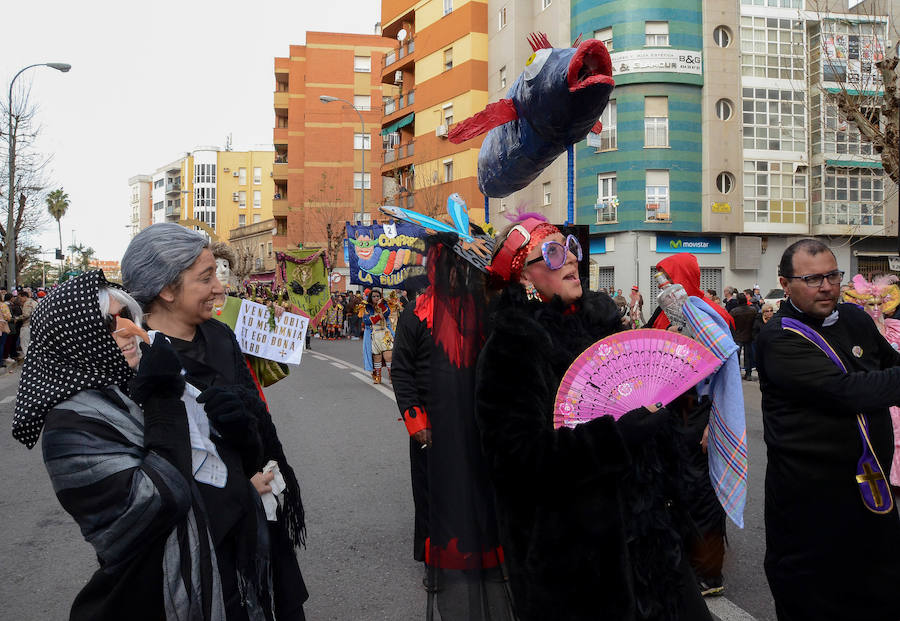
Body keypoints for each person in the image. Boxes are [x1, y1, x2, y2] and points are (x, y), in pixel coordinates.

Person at [476, 216, 711, 621]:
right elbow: (517, 460)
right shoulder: (511, 350)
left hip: (646, 537)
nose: (568, 257)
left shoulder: (601, 330)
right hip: (576, 561)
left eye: (569, 247)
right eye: (550, 253)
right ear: (524, 278)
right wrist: (616, 438)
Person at [12, 271, 261, 620]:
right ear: (77, 340)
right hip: (155, 599)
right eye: (108, 323)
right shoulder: (69, 425)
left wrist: (239, 431)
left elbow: (224, 468)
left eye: (126, 317)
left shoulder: (132, 385)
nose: (128, 330)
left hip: (221, 571)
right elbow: (157, 502)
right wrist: (163, 400)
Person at [122, 223, 309, 621]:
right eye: (205, 278)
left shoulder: (222, 337)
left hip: (258, 517)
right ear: (166, 290)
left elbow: (258, 426)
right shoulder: (137, 361)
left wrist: (253, 448)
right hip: (199, 543)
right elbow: (149, 475)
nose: (219, 288)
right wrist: (238, 489)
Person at [756, 239, 900, 621]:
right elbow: (847, 391)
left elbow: (888, 364)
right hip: (812, 501)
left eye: (833, 275)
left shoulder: (854, 319)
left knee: (879, 590)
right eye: (813, 278)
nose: (826, 286)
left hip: (870, 489)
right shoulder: (780, 339)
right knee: (817, 598)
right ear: (785, 285)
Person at [392, 227, 512, 619]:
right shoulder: (415, 313)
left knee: (482, 489)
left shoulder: (486, 309)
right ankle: (436, 565)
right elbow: (402, 372)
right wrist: (417, 422)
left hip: (476, 420)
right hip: (432, 426)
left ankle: (488, 555)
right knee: (433, 496)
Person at [646, 253, 735, 598]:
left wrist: (714, 424)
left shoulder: (713, 317)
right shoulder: (664, 313)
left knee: (703, 492)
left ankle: (710, 573)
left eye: (666, 276)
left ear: (684, 276)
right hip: (671, 414)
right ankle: (684, 561)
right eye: (659, 277)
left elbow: (723, 378)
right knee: (678, 488)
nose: (662, 283)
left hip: (701, 413)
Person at [362, 289, 393, 384]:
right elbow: (366, 320)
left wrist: (381, 305)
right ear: (370, 297)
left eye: (378, 296)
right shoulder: (367, 307)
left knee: (388, 355)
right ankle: (377, 376)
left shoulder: (384, 305)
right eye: (374, 296)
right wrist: (379, 316)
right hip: (374, 334)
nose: (376, 298)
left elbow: (387, 313)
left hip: (385, 333)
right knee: (376, 356)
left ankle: (392, 375)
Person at [730, 293, 757, 380]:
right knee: (748, 355)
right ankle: (748, 373)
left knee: (736, 356)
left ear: (738, 301)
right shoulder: (753, 310)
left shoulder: (734, 311)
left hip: (738, 336)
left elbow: (731, 325)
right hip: (749, 335)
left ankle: (736, 373)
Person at [18, 289, 37, 356]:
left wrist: (17, 318)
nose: (20, 300)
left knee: (24, 344)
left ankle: (28, 359)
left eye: (20, 298)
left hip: (27, 325)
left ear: (24, 297)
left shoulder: (27, 303)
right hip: (34, 325)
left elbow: (26, 315)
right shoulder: (34, 302)